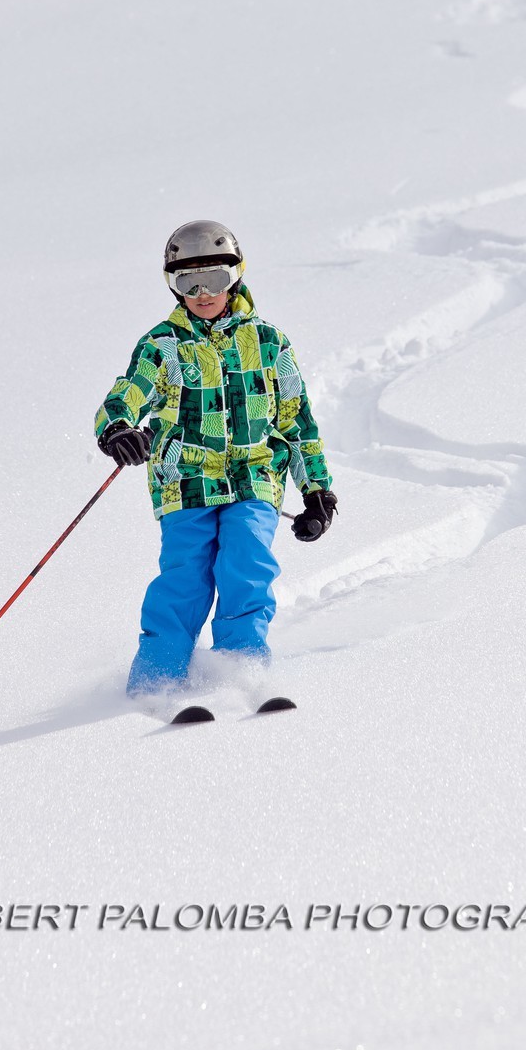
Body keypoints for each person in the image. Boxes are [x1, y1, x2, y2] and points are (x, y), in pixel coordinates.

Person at [95, 220, 338, 696]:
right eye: (186, 282)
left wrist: (316, 491)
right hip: (184, 482)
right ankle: (157, 681)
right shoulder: (162, 345)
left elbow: (295, 421)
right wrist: (117, 428)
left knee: (246, 565)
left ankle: (240, 672)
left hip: (255, 477)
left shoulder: (270, 343)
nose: (202, 292)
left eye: (215, 279)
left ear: (238, 276)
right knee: (185, 579)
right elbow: (128, 394)